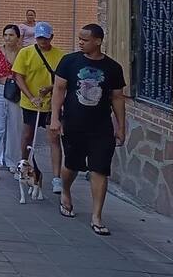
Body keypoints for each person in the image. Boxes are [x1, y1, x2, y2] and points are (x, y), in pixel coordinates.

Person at [50, 24, 126, 235]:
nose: (80, 42)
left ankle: (97, 216)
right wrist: (55, 119)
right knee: (72, 165)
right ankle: (65, 191)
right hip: (73, 124)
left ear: (98, 41)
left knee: (100, 169)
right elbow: (58, 90)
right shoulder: (69, 62)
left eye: (85, 39)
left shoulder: (113, 68)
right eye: (80, 39)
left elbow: (117, 98)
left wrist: (121, 127)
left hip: (101, 127)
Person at [12, 21, 65, 193]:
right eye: (39, 38)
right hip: (31, 103)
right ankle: (23, 164)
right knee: (27, 134)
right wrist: (30, 96)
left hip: (51, 103)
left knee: (54, 138)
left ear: (51, 37)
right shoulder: (26, 53)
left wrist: (50, 89)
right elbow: (18, 76)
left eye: (46, 38)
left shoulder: (60, 56)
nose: (42, 41)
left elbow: (62, 79)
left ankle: (57, 178)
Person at [0, 24, 23, 177]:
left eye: (11, 35)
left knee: (15, 127)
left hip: (16, 92)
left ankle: (13, 162)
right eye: (5, 35)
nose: (8, 38)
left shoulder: (23, 53)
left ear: (18, 38)